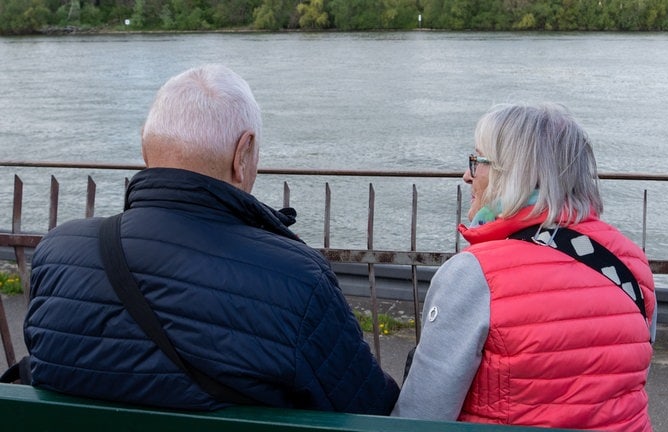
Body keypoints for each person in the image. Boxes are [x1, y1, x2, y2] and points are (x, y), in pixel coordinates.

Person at [23, 64, 399, 413]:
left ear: (145, 146)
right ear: (243, 153)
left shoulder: (58, 253)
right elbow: (370, 411)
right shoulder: (297, 280)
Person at [392, 102, 657, 431]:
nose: (466, 175)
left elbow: (424, 414)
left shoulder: (474, 274)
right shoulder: (631, 262)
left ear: (511, 172)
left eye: (476, 161)